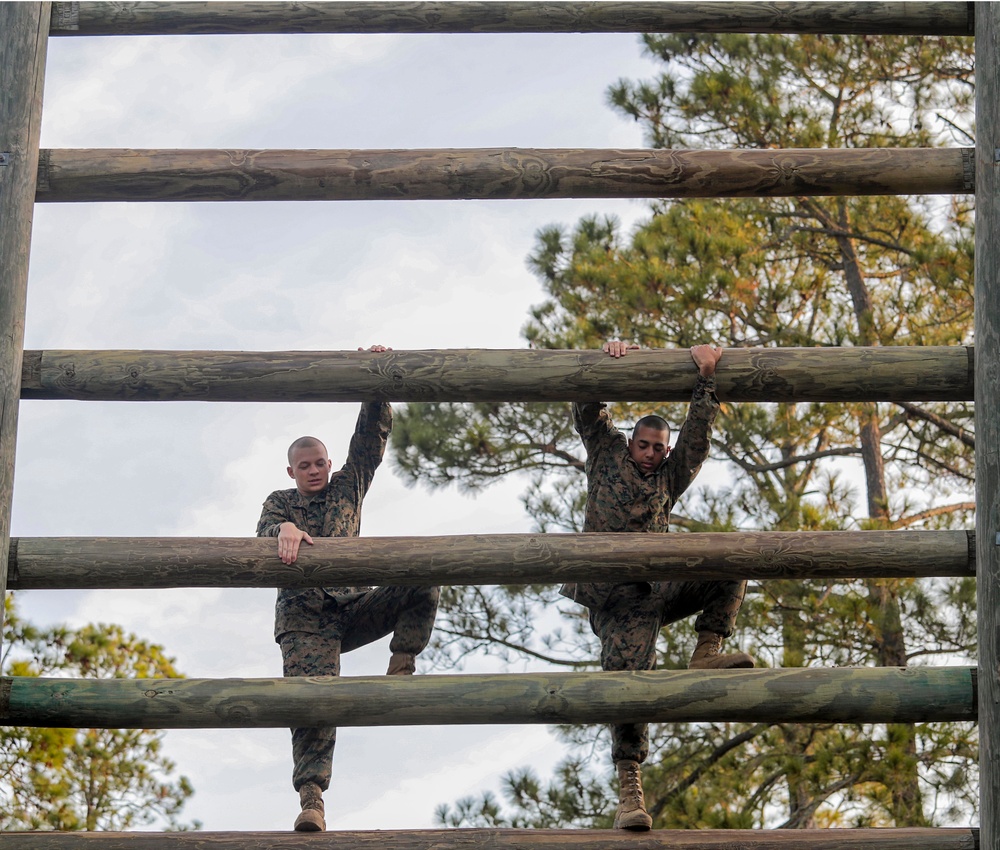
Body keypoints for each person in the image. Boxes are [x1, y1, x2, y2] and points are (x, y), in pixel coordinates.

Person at [560, 340, 753, 832]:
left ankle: (707, 648)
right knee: (629, 682)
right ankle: (630, 786)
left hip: (661, 587)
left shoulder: (668, 477)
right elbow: (588, 407)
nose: (649, 455)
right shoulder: (606, 453)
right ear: (630, 441)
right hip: (616, 596)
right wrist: (614, 359)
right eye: (643, 445)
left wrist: (706, 378)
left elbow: (697, 438)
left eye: (657, 449)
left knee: (731, 560)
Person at [256, 345, 440, 832]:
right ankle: (312, 798)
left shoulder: (347, 486)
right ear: (291, 471)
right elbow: (264, 530)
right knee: (312, 704)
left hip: (354, 606)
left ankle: (402, 664)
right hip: (304, 621)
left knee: (424, 573)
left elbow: (371, 438)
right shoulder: (279, 501)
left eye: (320, 462)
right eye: (305, 465)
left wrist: (373, 377)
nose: (314, 470)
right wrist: (284, 531)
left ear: (328, 462)